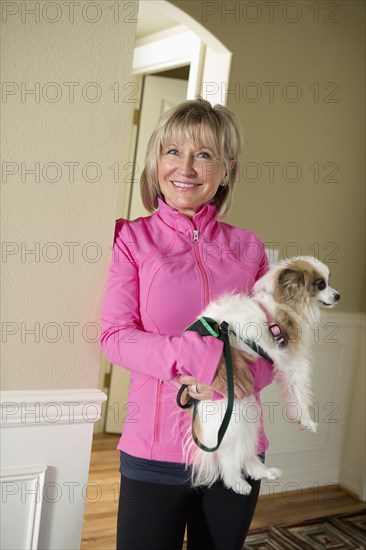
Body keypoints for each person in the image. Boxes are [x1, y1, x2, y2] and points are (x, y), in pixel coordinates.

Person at [100, 99, 275, 550]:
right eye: (173, 151)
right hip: (153, 452)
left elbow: (274, 345)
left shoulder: (249, 247)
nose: (186, 168)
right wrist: (204, 359)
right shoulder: (130, 239)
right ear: (156, 160)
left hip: (235, 448)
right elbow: (116, 336)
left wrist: (233, 378)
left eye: (204, 155)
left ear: (227, 169)